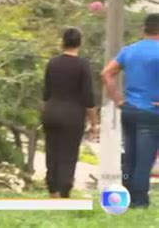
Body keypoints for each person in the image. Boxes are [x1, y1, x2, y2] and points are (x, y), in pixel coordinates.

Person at [102, 13, 159, 208]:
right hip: (151, 113)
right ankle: (139, 201)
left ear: (144, 29)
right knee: (144, 161)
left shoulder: (129, 51)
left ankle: (124, 199)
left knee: (129, 159)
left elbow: (107, 73)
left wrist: (118, 100)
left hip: (128, 110)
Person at [42, 28, 98, 198]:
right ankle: (64, 192)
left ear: (62, 42)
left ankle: (52, 191)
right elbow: (88, 98)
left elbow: (46, 94)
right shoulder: (83, 65)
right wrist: (94, 123)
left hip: (51, 112)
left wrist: (46, 113)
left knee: (52, 152)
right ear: (80, 43)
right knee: (68, 153)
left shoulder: (52, 63)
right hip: (72, 115)